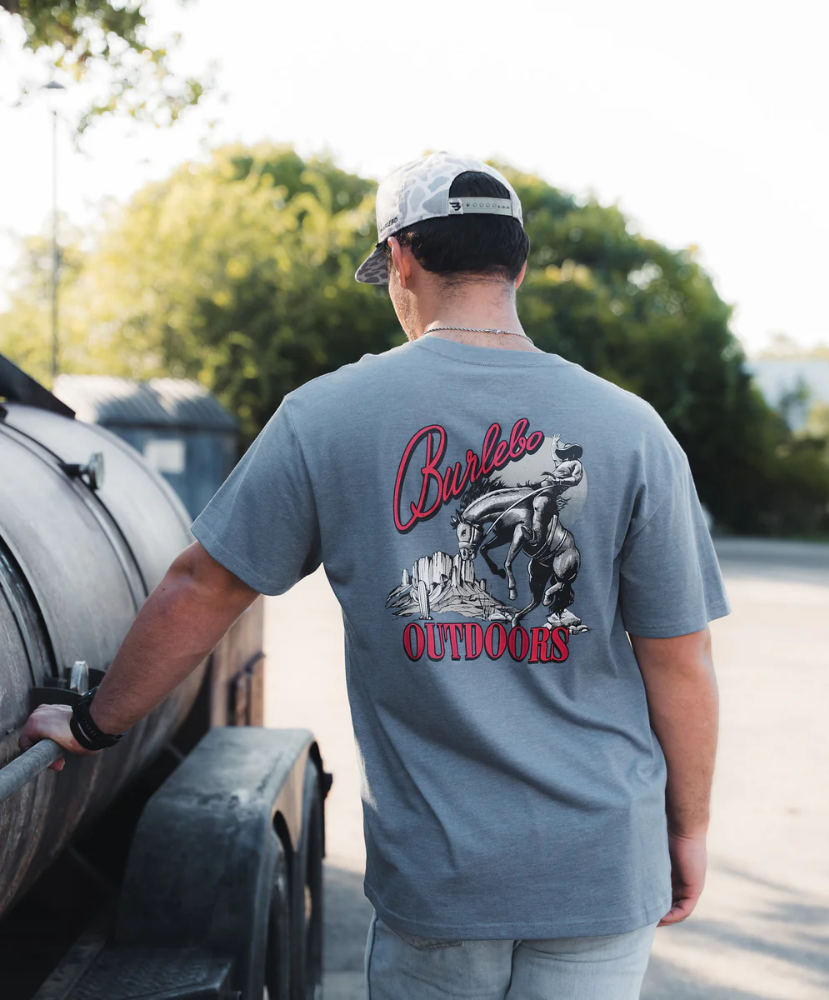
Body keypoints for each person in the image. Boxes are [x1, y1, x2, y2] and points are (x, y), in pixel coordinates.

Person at [20, 151, 729, 999]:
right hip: (602, 863)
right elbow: (680, 660)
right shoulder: (631, 428)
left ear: (398, 258)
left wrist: (93, 725)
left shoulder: (327, 415)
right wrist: (686, 830)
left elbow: (201, 588)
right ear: (519, 263)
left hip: (441, 874)